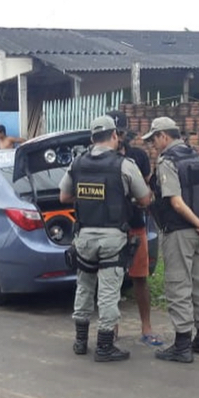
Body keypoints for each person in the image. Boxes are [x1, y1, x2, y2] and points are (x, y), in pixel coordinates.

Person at [59, 115, 152, 362]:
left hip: (84, 237)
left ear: (92, 138)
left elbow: (64, 197)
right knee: (109, 292)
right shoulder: (124, 165)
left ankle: (80, 342)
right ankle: (104, 346)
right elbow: (145, 199)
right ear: (113, 135)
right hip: (112, 238)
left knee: (84, 287)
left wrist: (88, 197)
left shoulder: (77, 163)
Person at [143, 116, 199, 363]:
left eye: (154, 140)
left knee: (178, 285)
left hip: (178, 231)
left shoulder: (168, 161)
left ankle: (182, 345)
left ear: (163, 136)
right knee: (198, 284)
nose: (153, 145)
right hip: (198, 234)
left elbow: (175, 202)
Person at [105, 109, 164, 348]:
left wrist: (145, 200)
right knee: (110, 281)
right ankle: (111, 329)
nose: (118, 137)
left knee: (140, 278)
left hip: (136, 225)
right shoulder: (98, 158)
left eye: (121, 133)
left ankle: (146, 328)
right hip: (110, 227)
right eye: (115, 133)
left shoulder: (137, 156)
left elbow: (149, 189)